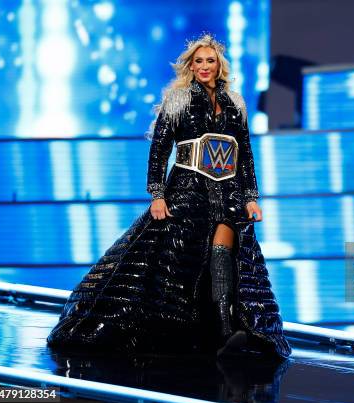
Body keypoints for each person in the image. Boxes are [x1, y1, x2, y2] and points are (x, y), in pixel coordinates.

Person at [46, 34, 292, 360]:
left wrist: (250, 197)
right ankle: (193, 333)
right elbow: (159, 151)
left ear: (219, 66)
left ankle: (224, 331)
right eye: (199, 61)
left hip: (228, 193)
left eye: (211, 60)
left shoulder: (236, 103)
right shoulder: (178, 100)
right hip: (188, 191)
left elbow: (244, 155)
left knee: (225, 252)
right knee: (176, 261)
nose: (205, 66)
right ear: (191, 66)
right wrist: (158, 194)